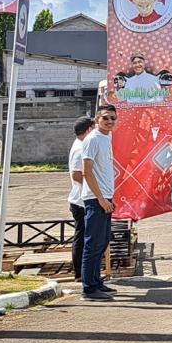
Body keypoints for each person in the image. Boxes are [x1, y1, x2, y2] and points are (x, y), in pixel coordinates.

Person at [81, 105, 118, 300]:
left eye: (113, 118)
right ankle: (88, 288)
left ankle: (96, 281)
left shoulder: (106, 137)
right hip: (95, 199)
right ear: (97, 119)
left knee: (102, 242)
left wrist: (109, 197)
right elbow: (86, 171)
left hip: (105, 196)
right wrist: (101, 199)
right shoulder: (93, 139)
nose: (110, 121)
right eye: (106, 118)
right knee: (92, 243)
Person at [68, 117, 95, 283]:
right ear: (87, 130)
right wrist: (93, 187)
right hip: (81, 201)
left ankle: (84, 271)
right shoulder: (80, 148)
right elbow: (77, 174)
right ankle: (80, 272)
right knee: (82, 236)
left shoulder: (82, 144)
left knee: (84, 235)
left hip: (82, 198)